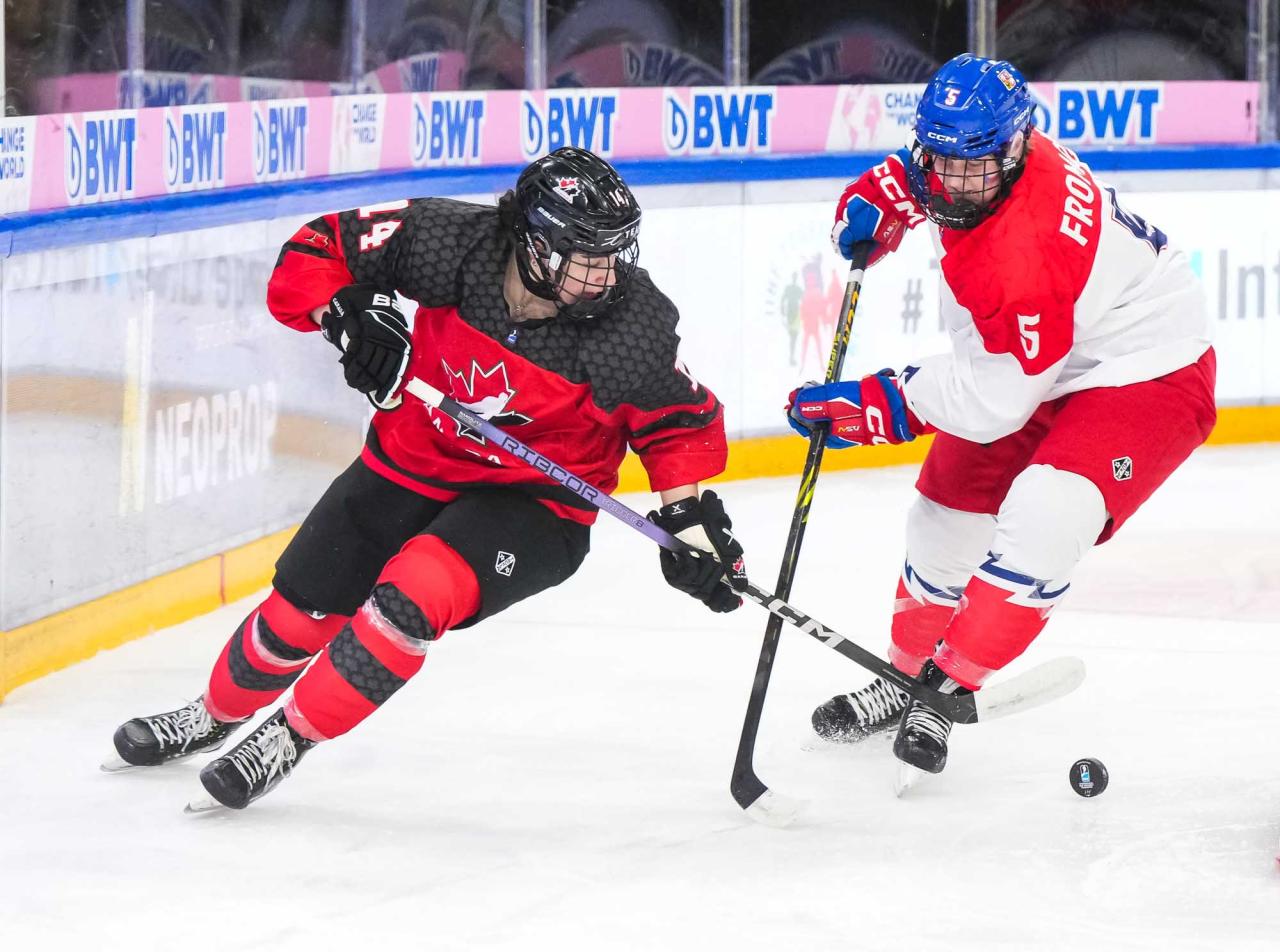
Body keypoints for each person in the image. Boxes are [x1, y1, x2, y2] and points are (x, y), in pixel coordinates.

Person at [105, 146, 748, 810]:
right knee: (300, 612)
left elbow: (677, 421)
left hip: (538, 503)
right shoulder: (445, 241)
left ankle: (288, 740)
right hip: (409, 461)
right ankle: (213, 715)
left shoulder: (629, 324)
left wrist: (689, 521)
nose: (605, 275)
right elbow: (316, 247)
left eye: (613, 255)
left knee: (414, 592)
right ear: (534, 243)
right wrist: (346, 315)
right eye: (588, 256)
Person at [785, 54, 1215, 777]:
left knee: (1048, 516)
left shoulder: (1026, 252)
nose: (951, 183)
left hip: (1147, 367)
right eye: (938, 161)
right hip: (1048, 354)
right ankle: (905, 679)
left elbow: (992, 403)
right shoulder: (976, 156)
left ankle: (944, 688)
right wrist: (886, 193)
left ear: (1015, 151)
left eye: (972, 165)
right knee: (942, 514)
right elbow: (933, 167)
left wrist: (880, 401)